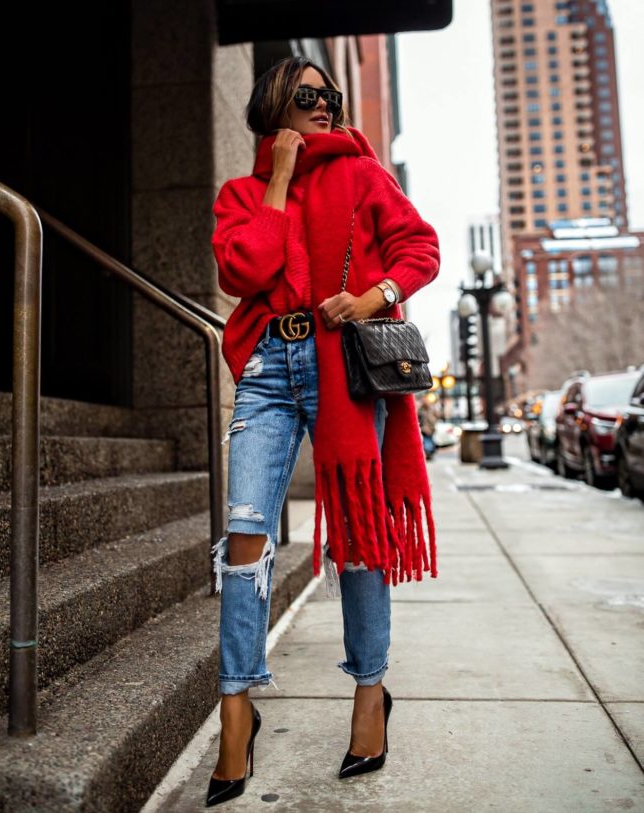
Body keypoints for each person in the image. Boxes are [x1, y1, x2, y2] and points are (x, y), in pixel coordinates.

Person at [207, 56, 440, 807]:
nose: (325, 106)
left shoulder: (364, 173)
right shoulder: (241, 194)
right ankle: (237, 707)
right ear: (275, 106)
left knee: (361, 534)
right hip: (271, 365)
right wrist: (278, 178)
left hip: (343, 367)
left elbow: (420, 248)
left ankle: (370, 691)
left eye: (329, 96)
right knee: (246, 534)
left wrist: (375, 296)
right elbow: (246, 269)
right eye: (308, 96)